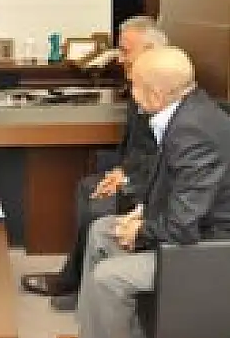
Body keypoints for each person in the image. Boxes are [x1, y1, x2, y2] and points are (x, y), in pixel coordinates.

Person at [77, 46, 230, 338]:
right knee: (102, 230)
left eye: (134, 85)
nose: (130, 92)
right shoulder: (188, 110)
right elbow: (181, 187)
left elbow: (181, 227)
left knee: (108, 279)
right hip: (199, 228)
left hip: (216, 248)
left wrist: (141, 231)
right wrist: (143, 212)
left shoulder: (193, 134)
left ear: (156, 94)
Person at [21, 16, 165, 311]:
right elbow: (140, 146)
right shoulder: (140, 82)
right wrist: (121, 170)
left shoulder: (162, 88)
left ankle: (79, 286)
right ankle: (76, 280)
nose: (120, 58)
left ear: (150, 51)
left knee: (99, 202)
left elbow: (165, 154)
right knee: (89, 187)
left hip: (154, 185)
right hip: (137, 171)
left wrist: (127, 179)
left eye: (125, 50)